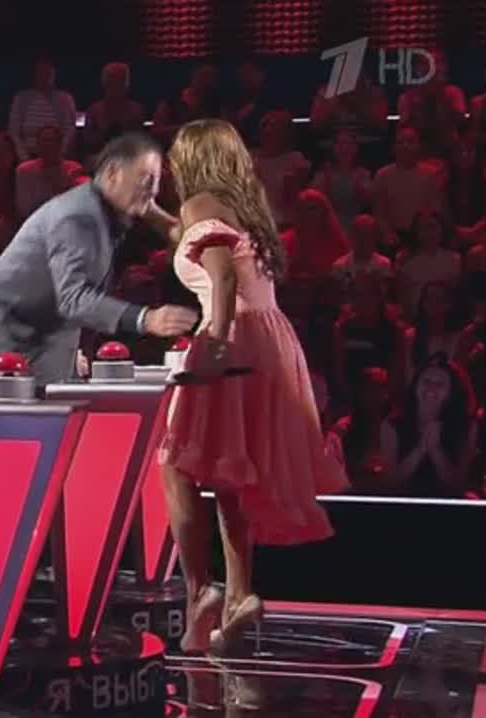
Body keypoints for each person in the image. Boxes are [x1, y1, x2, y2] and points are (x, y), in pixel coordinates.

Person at [158, 119, 348, 655]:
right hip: (270, 339)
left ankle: (200, 590)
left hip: (233, 338)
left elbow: (221, 275)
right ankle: (240, 594)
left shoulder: (200, 204)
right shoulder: (245, 207)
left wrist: (216, 341)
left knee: (175, 462)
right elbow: (201, 248)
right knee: (230, 468)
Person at [0, 132, 198, 385]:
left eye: (157, 181)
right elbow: (73, 299)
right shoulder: (79, 217)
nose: (154, 190)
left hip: (34, 345)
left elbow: (149, 208)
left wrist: (178, 228)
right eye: (147, 179)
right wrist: (146, 319)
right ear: (113, 173)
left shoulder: (103, 206)